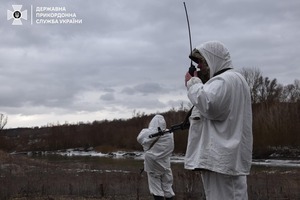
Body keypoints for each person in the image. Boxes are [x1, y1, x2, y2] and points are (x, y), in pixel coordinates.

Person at [184, 41, 253, 200]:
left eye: (201, 61)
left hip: (221, 157)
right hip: (222, 158)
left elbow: (209, 106)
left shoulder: (224, 80)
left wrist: (193, 84)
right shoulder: (233, 80)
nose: (199, 66)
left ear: (212, 59)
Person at [137, 114, 175, 200]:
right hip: (165, 163)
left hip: (152, 164)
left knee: (156, 188)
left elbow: (140, 138)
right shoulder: (169, 134)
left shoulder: (148, 133)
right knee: (168, 187)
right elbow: (171, 148)